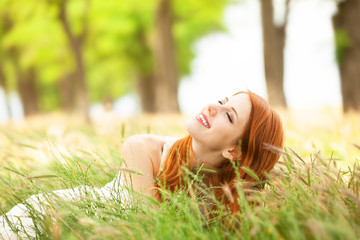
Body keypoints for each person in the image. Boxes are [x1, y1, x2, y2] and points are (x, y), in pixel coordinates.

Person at [0, 90, 284, 239]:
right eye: (221, 100)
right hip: (45, 220)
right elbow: (147, 229)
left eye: (228, 115)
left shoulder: (228, 198)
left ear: (234, 150)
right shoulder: (142, 148)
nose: (212, 106)